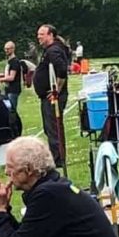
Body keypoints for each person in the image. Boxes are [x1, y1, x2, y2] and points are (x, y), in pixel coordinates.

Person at [33, 24, 70, 169]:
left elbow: (62, 70)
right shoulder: (49, 50)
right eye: (38, 34)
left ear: (50, 35)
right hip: (47, 96)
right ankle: (56, 156)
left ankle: (58, 158)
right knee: (49, 128)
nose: (39, 37)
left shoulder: (53, 50)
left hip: (53, 97)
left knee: (54, 127)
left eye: (42, 34)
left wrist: (57, 90)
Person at [0, 41, 22, 110]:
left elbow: (11, 77)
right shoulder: (9, 61)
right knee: (6, 109)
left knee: (11, 110)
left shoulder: (15, 61)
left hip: (13, 90)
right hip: (8, 89)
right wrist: (2, 75)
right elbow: (10, 73)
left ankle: (12, 121)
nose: (6, 50)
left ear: (13, 49)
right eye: (5, 49)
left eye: (8, 49)